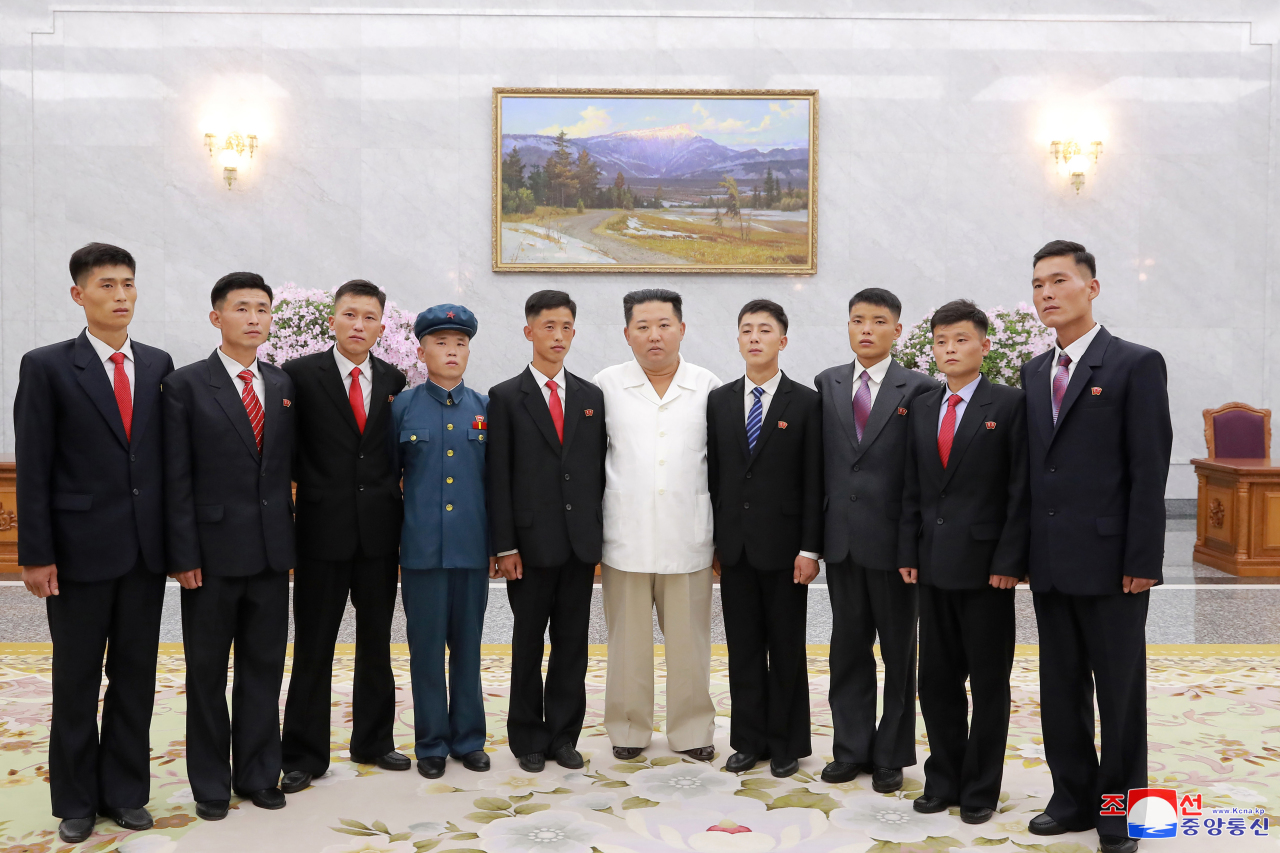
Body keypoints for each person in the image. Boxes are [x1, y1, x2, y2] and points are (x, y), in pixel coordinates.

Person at [14, 243, 173, 843]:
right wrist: (36, 552)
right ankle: (76, 799)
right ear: (79, 295)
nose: (121, 296)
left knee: (135, 676)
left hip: (142, 553)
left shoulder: (158, 364)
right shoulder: (48, 365)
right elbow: (35, 465)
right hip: (77, 553)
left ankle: (127, 792)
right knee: (76, 679)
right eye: (106, 285)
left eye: (128, 284)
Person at [1021, 241, 1171, 853]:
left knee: (1119, 696)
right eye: (1037, 285)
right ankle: (1071, 797)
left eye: (1059, 281)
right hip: (1051, 562)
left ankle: (1120, 812)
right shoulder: (1033, 371)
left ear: (1093, 287)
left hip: (1113, 566)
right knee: (1060, 692)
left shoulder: (1135, 363)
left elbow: (1148, 468)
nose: (1047, 294)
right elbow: (1035, 472)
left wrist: (1142, 560)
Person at [163, 272, 296, 820]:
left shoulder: (283, 385)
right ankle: (211, 783)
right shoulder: (185, 385)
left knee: (265, 668)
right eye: (242, 308)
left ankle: (260, 772)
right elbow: (175, 477)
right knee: (207, 674)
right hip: (211, 558)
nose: (254, 318)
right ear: (216, 317)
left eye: (262, 309)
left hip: (270, 553)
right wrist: (183, 554)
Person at [897, 299, 1029, 825]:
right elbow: (913, 486)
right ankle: (943, 778)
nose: (949, 350)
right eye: (940, 342)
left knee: (988, 684)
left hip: (987, 572)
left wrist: (1009, 560)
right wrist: (908, 549)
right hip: (931, 564)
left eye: (960, 340)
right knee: (936, 681)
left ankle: (980, 788)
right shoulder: (925, 405)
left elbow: (1021, 489)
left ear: (984, 345)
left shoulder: (1010, 404)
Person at [279, 280, 411, 794]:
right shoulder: (299, 375)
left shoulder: (396, 378)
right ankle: (303, 754)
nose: (359, 325)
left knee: (376, 642)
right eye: (350, 315)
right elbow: (285, 454)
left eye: (370, 317)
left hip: (380, 534)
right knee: (314, 646)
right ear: (332, 320)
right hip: (319, 532)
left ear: (382, 325)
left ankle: (374, 741)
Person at [814, 287, 936, 791]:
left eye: (878, 321)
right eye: (857, 320)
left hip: (894, 549)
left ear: (897, 330)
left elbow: (923, 475)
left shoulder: (920, 388)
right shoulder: (828, 382)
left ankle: (890, 754)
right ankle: (851, 748)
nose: (866, 328)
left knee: (899, 654)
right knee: (847, 650)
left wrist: (913, 545)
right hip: (841, 542)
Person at [594, 288, 721, 762]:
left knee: (690, 644)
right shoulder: (605, 385)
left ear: (682, 329)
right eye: (642, 326)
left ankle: (691, 729)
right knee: (627, 642)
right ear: (627, 334)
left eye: (664, 325)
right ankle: (628, 726)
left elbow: (723, 467)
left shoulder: (707, 386)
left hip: (689, 536)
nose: (654, 335)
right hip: (624, 536)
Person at [487, 290, 607, 774]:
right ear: (529, 331)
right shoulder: (504, 397)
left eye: (566, 328)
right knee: (528, 644)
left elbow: (596, 471)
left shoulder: (589, 397)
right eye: (548, 327)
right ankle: (527, 737)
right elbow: (497, 476)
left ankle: (563, 736)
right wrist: (505, 544)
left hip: (579, 547)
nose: (558, 336)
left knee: (573, 645)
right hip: (529, 548)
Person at [707, 299, 823, 778]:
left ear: (783, 340)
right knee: (744, 647)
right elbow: (713, 474)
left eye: (765, 330)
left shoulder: (807, 402)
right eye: (747, 330)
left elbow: (816, 480)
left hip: (786, 551)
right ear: (738, 340)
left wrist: (809, 547)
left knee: (787, 647)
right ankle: (747, 741)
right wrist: (714, 541)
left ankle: (787, 742)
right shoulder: (718, 400)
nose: (755, 337)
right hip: (734, 549)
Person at [392, 304, 492, 779]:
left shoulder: (486, 408)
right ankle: (431, 742)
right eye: (441, 343)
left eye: (460, 343)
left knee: (469, 647)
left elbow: (496, 482)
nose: (452, 351)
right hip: (422, 551)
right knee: (426, 649)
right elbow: (388, 480)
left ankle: (469, 738)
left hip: (472, 549)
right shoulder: (403, 406)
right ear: (422, 350)